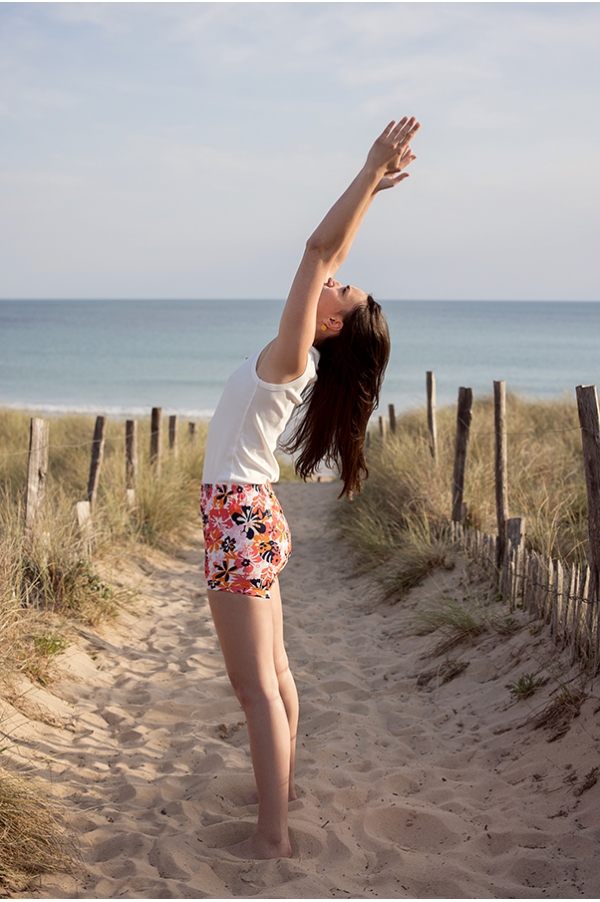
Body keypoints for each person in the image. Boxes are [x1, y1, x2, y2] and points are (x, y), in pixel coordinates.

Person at [200, 117, 420, 860]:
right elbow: (332, 253)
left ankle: (272, 835)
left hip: (239, 515)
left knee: (254, 687)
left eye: (342, 291)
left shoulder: (295, 353)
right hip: (252, 513)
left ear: (330, 323)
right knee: (277, 676)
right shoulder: (301, 350)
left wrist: (365, 172)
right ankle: (282, 795)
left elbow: (317, 250)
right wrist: (373, 195)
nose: (334, 278)